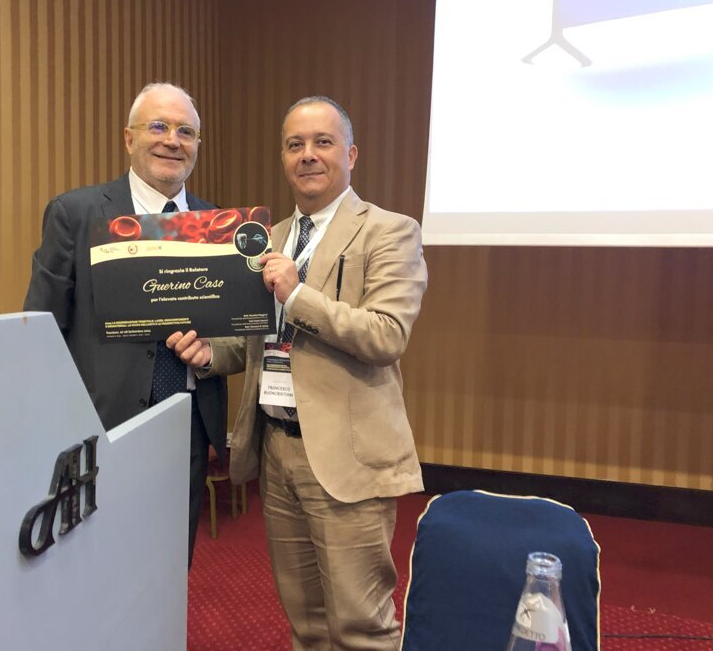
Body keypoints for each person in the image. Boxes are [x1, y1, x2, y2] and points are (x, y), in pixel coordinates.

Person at [168, 95, 428, 649]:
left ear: (350, 155)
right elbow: (255, 340)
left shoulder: (390, 230)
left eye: (322, 142)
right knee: (305, 623)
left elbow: (386, 335)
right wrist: (210, 355)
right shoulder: (267, 236)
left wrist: (297, 293)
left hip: (346, 456)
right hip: (277, 450)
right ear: (284, 158)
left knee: (361, 627)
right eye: (295, 145)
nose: (308, 154)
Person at [24, 82, 227, 569]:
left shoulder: (216, 223)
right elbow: (41, 330)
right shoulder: (75, 213)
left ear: (198, 145)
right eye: (158, 126)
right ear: (129, 138)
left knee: (171, 566)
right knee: (102, 568)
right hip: (100, 426)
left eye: (186, 131)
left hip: (188, 426)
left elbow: (230, 329)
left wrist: (215, 347)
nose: (172, 140)